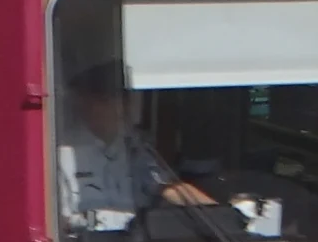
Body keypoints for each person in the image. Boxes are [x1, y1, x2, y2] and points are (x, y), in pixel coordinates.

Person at [55, 62, 212, 230]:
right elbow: (58, 222)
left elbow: (171, 189)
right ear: (86, 103)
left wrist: (221, 213)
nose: (121, 108)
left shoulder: (138, 147)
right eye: (108, 100)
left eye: (124, 100)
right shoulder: (63, 153)